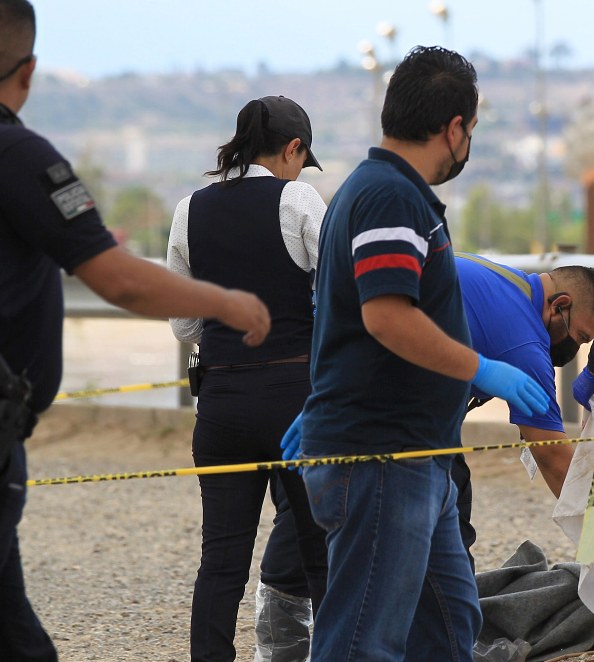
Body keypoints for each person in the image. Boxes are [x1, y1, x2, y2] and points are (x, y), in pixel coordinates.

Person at [0, 1, 272, 660]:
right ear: (29, 72)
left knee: (8, 638)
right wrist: (225, 301)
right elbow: (120, 279)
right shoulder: (16, 154)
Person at [281, 46, 550, 662]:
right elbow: (386, 315)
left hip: (417, 455)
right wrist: (484, 368)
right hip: (381, 455)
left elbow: (343, 317)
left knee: (450, 624)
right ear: (453, 128)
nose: (467, 143)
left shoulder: (386, 192)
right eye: (471, 131)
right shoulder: (390, 198)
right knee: (363, 641)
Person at [262, 255, 594, 656]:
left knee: (445, 537)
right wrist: (592, 537)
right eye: (579, 335)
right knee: (358, 581)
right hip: (381, 427)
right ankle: (294, 640)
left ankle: (446, 643)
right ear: (559, 306)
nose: (575, 347)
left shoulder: (501, 279)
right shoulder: (525, 342)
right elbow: (555, 458)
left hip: (378, 401)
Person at [166, 96, 329, 662]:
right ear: (292, 149)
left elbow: (184, 322)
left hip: (222, 402)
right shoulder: (298, 197)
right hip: (295, 401)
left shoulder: (190, 209)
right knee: (319, 549)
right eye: (301, 158)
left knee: (221, 560)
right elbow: (340, 296)